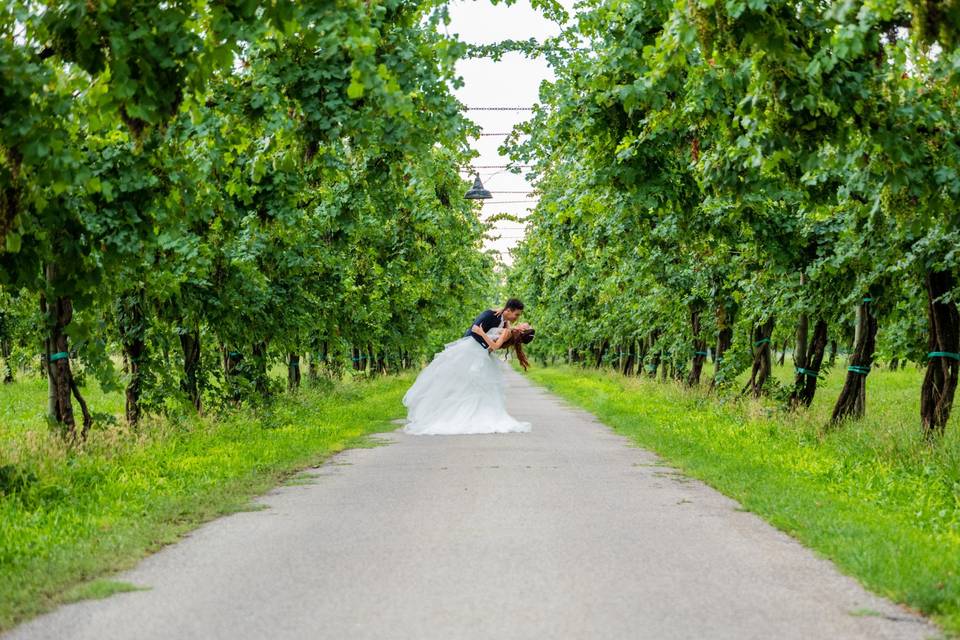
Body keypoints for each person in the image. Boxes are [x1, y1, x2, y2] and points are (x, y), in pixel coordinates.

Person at [401, 299, 536, 435]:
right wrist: (501, 309)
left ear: (521, 330)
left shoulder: (507, 329)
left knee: (469, 386)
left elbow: (484, 338)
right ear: (508, 311)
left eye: (521, 320)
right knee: (460, 384)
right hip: (473, 350)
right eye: (517, 315)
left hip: (477, 351)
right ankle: (455, 413)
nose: (519, 319)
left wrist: (481, 332)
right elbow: (498, 319)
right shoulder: (501, 321)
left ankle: (466, 415)